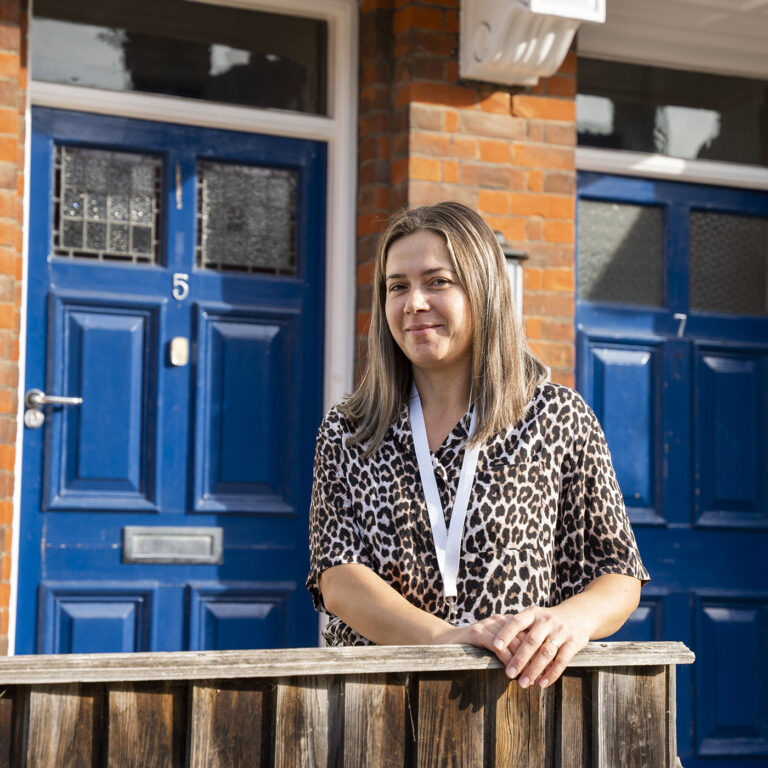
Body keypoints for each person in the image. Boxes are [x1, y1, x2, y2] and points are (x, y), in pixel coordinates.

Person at [307, 202, 648, 689]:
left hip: (515, 705)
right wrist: (444, 639)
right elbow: (337, 576)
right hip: (374, 703)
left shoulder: (556, 416)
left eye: (437, 281)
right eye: (397, 286)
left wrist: (571, 621)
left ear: (484, 290)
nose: (414, 303)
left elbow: (617, 571)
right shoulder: (349, 429)